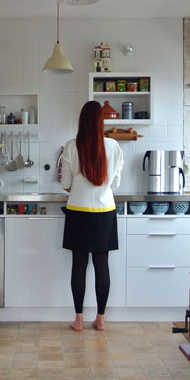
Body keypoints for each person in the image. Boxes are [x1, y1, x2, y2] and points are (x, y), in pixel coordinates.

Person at [60, 101, 124, 331]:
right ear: (101, 121)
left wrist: (80, 189)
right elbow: (115, 183)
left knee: (79, 265)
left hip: (78, 212)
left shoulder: (70, 146)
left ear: (81, 120)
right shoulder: (114, 146)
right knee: (102, 265)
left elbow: (65, 183)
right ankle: (101, 319)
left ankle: (78, 320)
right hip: (105, 212)